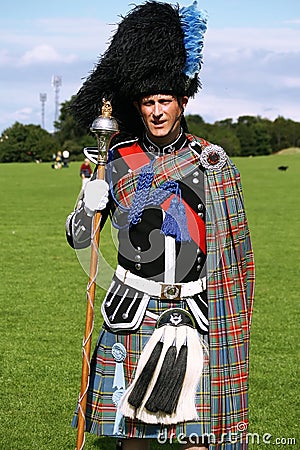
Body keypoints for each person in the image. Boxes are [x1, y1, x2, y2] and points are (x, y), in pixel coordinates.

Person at [66, 2, 255, 450]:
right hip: (132, 313)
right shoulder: (116, 159)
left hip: (193, 315)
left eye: (164, 101)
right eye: (148, 102)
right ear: (138, 105)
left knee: (196, 439)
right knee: (134, 441)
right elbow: (78, 238)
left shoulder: (212, 161)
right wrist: (87, 203)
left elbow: (237, 257)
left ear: (182, 101)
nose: (156, 111)